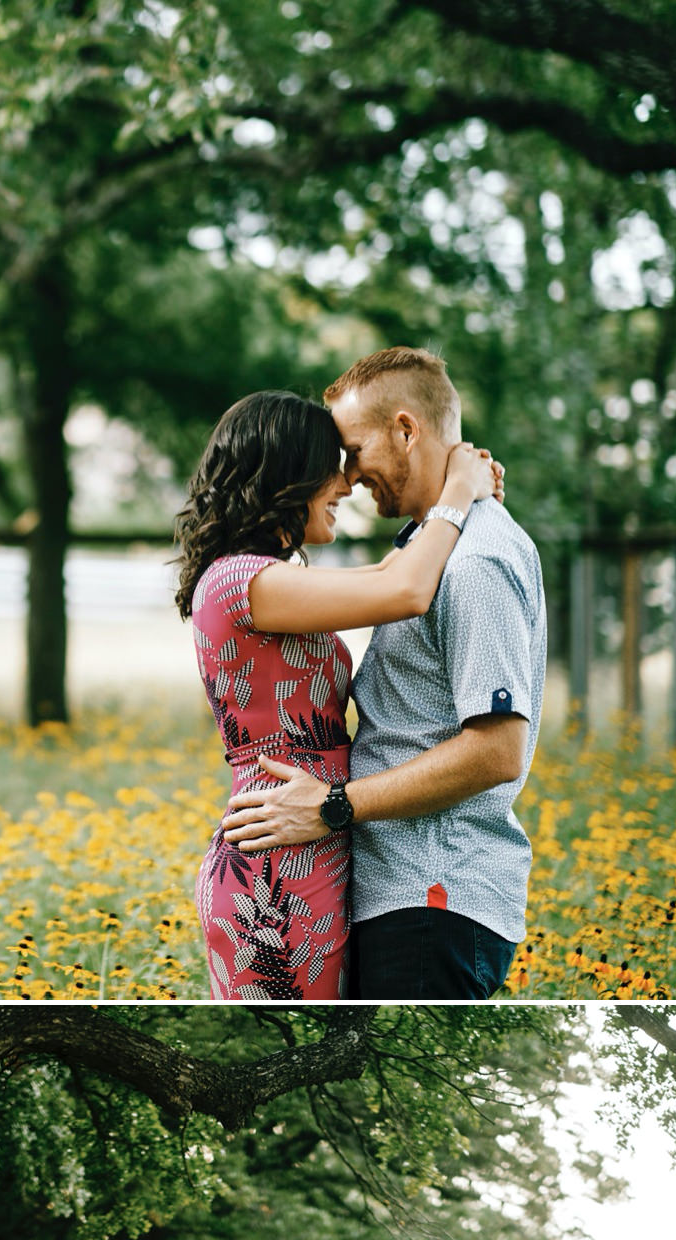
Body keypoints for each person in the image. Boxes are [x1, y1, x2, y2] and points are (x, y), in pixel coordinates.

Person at [219, 347, 547, 1001]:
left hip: (432, 897)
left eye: (352, 449)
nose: (344, 475)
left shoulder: (475, 561)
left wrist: (335, 807)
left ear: (405, 429)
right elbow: (393, 588)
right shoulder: (432, 548)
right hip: (398, 894)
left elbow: (498, 751)